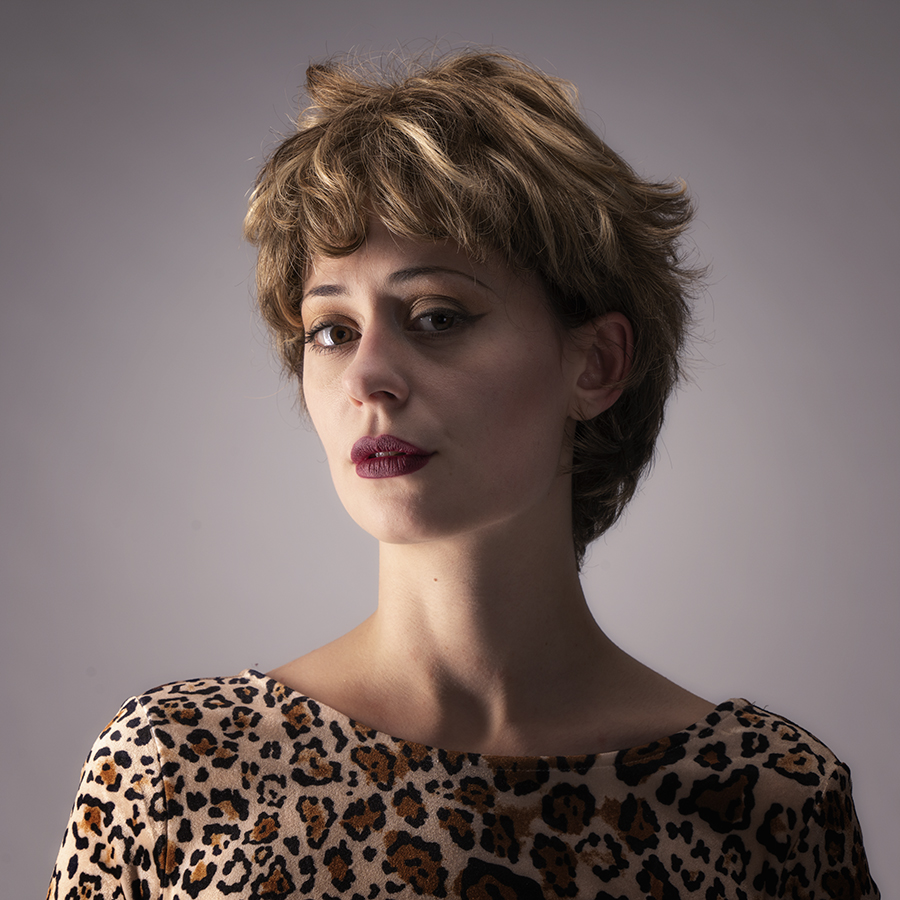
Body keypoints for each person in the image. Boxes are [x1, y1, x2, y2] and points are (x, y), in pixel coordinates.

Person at [48, 51, 878, 899]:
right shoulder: (173, 772)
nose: (368, 376)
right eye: (332, 331)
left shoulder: (772, 802)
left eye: (436, 317)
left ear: (597, 363)